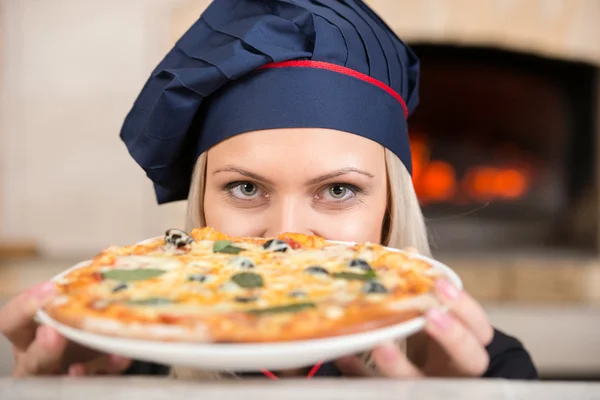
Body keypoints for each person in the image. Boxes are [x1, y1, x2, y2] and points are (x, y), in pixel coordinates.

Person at [0, 0, 537, 379]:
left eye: (338, 191)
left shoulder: (488, 371)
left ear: (392, 202)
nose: (286, 237)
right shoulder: (114, 359)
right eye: (245, 187)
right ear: (201, 199)